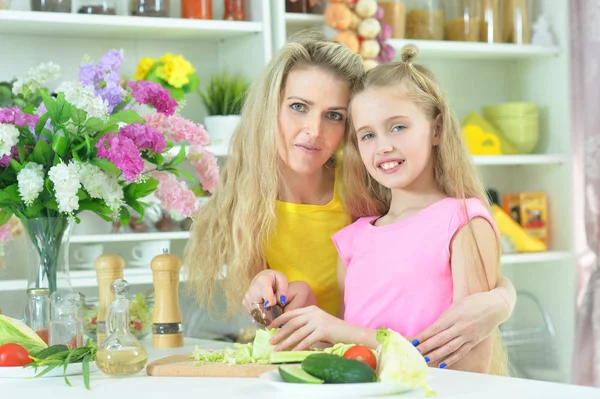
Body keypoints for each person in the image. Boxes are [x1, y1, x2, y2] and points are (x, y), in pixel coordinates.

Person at [183, 32, 515, 370]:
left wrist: (502, 299)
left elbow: (435, 267)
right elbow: (343, 326)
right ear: (270, 107)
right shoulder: (248, 204)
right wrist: (280, 306)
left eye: (335, 115)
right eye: (298, 106)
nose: (313, 130)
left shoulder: (366, 185)